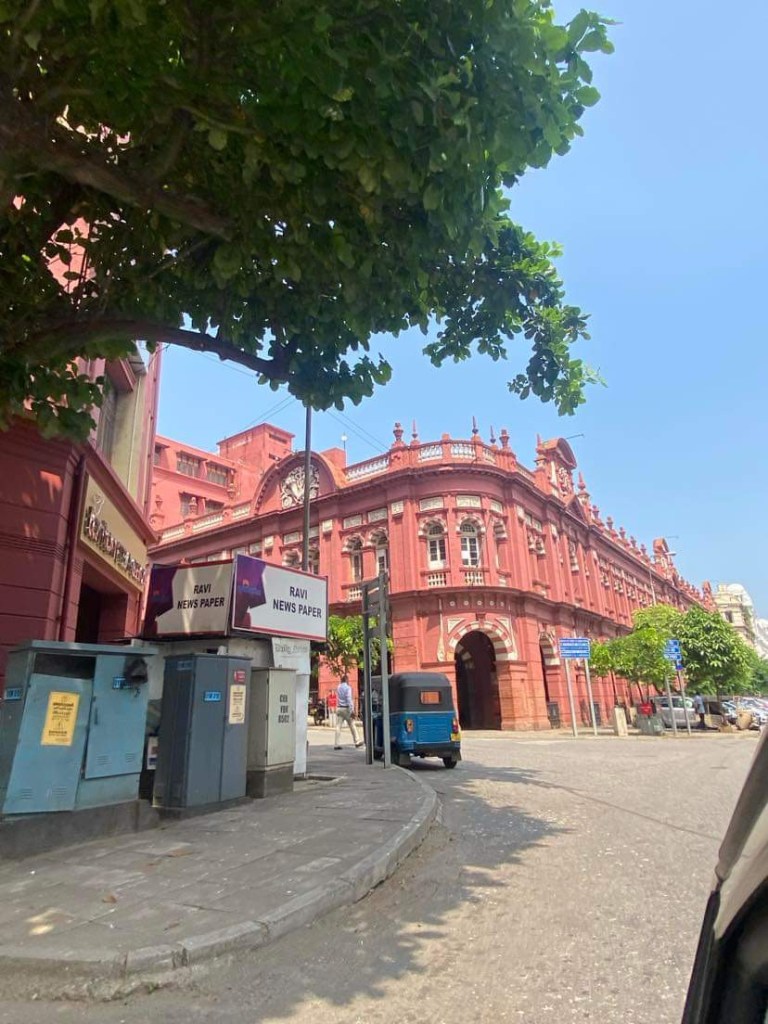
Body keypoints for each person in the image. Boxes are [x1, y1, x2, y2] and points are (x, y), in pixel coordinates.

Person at [334, 676, 363, 750]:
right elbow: (349, 699)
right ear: (346, 680)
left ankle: (336, 744)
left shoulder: (338, 687)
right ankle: (357, 741)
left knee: (338, 727)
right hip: (346, 709)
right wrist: (352, 710)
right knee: (352, 725)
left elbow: (338, 697)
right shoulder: (348, 688)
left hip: (339, 708)